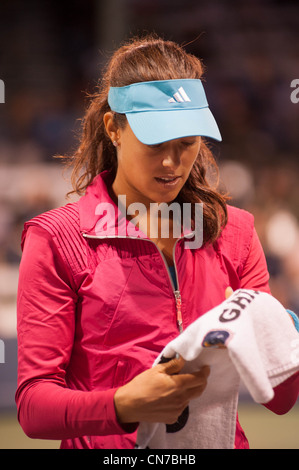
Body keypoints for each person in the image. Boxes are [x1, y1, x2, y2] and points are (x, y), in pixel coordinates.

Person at [15, 35, 299, 450]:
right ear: (113, 127)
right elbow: (34, 407)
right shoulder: (56, 239)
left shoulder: (235, 232)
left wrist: (285, 331)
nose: (172, 162)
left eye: (186, 144)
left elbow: (280, 399)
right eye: (155, 144)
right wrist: (122, 405)